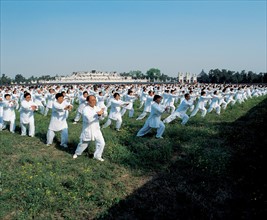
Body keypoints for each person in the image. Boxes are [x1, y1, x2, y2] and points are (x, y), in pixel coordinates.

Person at [73, 95, 106, 161]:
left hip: (96, 129)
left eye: (95, 100)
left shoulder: (97, 107)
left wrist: (103, 113)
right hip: (88, 129)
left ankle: (97, 156)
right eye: (92, 100)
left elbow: (102, 117)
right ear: (88, 101)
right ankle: (77, 153)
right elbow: (88, 119)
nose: (94, 101)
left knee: (102, 143)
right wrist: (98, 115)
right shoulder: (85, 109)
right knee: (83, 144)